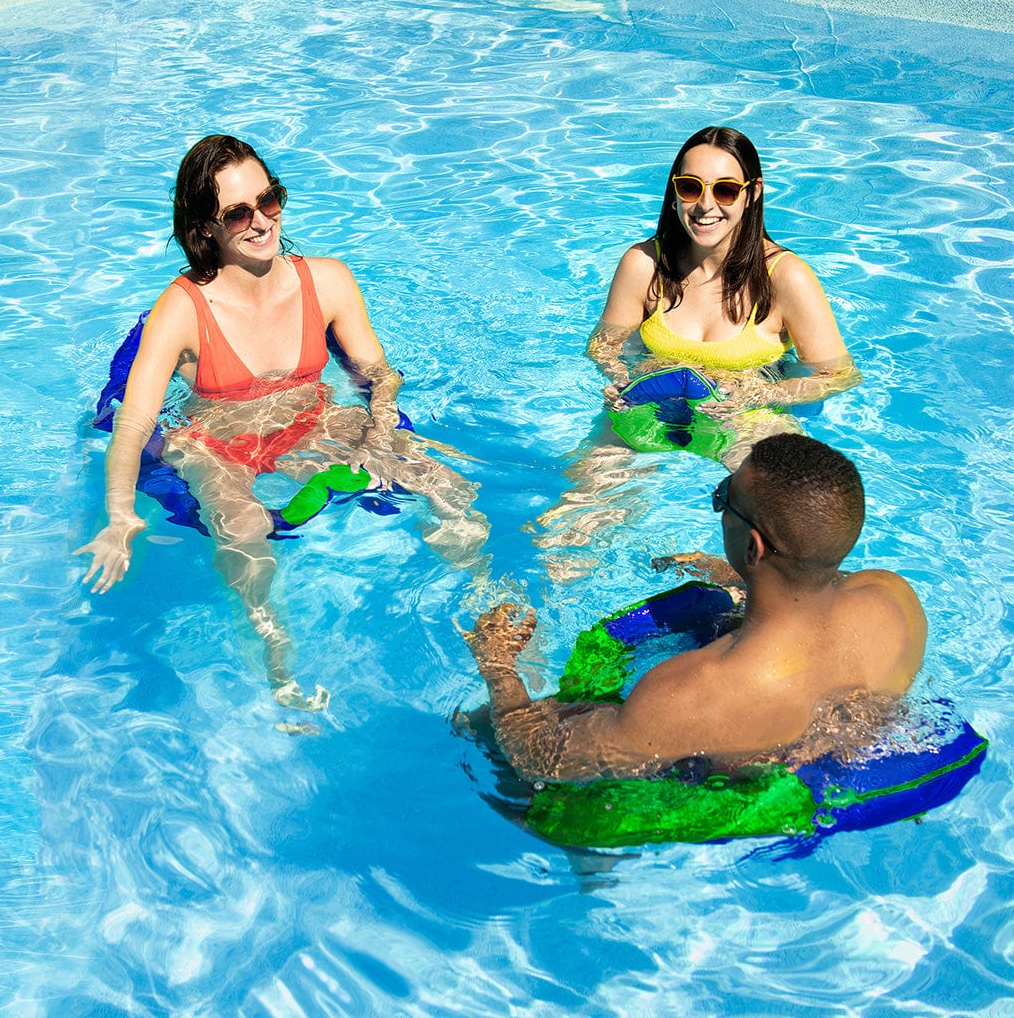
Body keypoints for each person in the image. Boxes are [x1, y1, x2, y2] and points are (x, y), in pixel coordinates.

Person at [75, 134, 488, 713]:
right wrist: (119, 518)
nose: (260, 221)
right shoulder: (182, 309)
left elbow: (381, 375)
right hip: (218, 442)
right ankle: (280, 667)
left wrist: (379, 434)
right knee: (245, 531)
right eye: (237, 212)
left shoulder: (328, 281)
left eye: (268, 200)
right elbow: (135, 423)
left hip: (313, 421)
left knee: (447, 484)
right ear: (205, 229)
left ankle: (489, 605)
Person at [468, 434, 926, 783]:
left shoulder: (685, 695)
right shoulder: (894, 599)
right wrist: (734, 574)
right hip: (848, 758)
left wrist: (499, 668)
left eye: (724, 497)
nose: (719, 502)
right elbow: (808, 586)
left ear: (754, 546)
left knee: (481, 727)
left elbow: (544, 762)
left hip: (720, 776)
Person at [535, 126, 862, 575]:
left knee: (790, 546)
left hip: (746, 421)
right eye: (691, 188)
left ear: (753, 194)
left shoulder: (786, 278)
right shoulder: (644, 264)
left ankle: (726, 585)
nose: (706, 206)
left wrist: (759, 394)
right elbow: (603, 344)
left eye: (726, 191)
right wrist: (619, 377)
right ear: (673, 193)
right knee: (567, 534)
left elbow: (840, 376)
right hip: (651, 410)